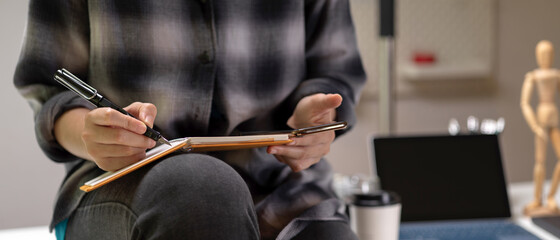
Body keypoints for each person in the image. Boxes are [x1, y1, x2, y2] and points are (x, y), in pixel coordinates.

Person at [14, 0, 366, 239]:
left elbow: (335, 74)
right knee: (202, 191)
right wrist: (91, 133)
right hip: (125, 185)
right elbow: (48, 88)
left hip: (285, 186)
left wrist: (316, 118)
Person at [521, 40, 560, 216]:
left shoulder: (556, 75)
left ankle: (550, 195)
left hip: (553, 117)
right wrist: (534, 125)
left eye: (549, 54)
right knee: (540, 161)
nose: (546, 58)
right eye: (542, 54)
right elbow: (524, 103)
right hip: (541, 119)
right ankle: (538, 198)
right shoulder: (533, 76)